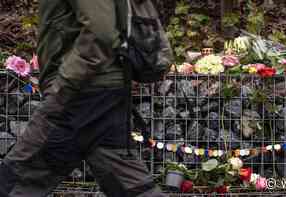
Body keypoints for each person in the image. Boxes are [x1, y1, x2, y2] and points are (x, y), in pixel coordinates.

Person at [0, 0, 167, 196]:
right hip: (105, 92)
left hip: (80, 93)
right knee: (131, 185)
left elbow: (101, 31)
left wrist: (66, 82)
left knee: (16, 178)